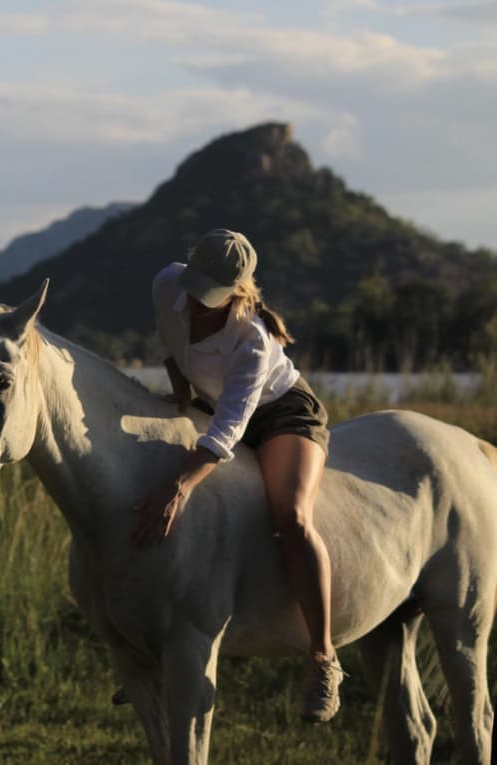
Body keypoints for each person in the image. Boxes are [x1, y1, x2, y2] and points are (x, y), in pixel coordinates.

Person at [131, 228, 343, 723]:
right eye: (195, 291)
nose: (199, 305)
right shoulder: (168, 284)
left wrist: (179, 487)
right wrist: (180, 389)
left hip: (279, 413)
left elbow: (230, 428)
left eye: (213, 298)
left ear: (240, 292)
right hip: (211, 404)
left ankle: (323, 656)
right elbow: (169, 335)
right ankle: (158, 648)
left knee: (290, 515)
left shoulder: (253, 338)